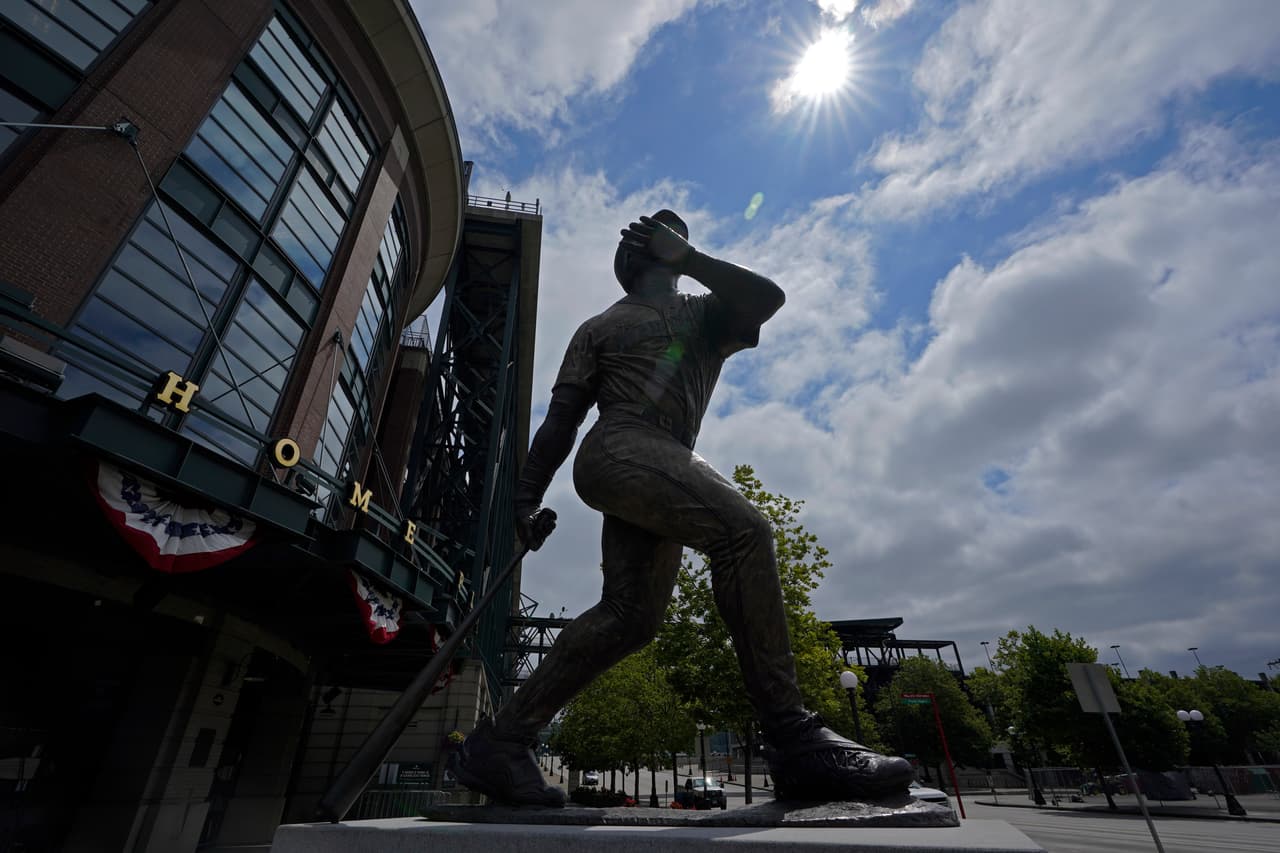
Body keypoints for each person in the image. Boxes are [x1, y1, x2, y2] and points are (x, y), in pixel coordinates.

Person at [454, 210, 912, 806]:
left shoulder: (703, 313)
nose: (673, 244)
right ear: (634, 260)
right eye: (661, 239)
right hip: (619, 449)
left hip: (656, 459)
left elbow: (767, 297)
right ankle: (795, 738)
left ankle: (502, 742)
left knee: (631, 617)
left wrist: (690, 260)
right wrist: (524, 496)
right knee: (745, 532)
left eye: (677, 238)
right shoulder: (598, 328)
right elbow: (560, 421)